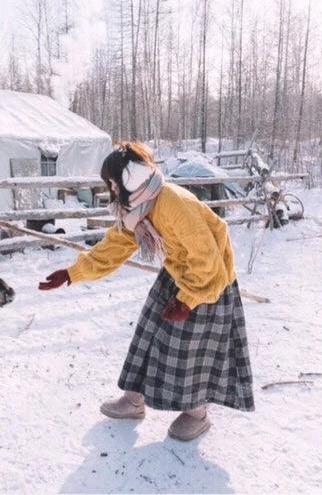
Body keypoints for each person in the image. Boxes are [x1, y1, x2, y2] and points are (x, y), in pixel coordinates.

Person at [39, 142, 254, 441]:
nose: (110, 189)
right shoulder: (138, 209)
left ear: (131, 178)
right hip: (178, 273)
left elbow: (207, 261)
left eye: (113, 182)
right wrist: (73, 273)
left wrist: (187, 300)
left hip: (208, 284)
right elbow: (115, 246)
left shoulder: (174, 205)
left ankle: (198, 414)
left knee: (188, 350)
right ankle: (133, 400)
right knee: (148, 333)